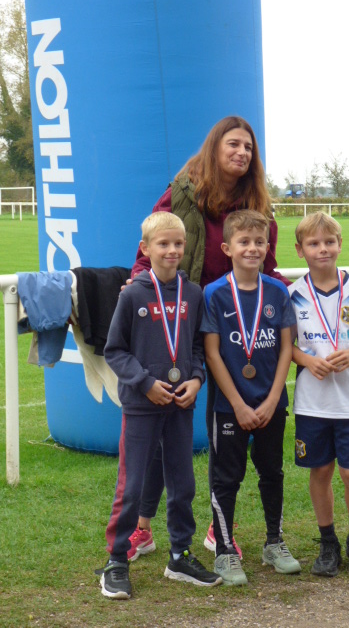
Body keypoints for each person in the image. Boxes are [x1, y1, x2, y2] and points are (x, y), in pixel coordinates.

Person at [127, 116, 290, 562]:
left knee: (228, 429)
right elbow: (155, 236)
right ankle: (142, 528)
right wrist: (139, 280)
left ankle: (221, 529)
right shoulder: (184, 191)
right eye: (233, 144)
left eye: (248, 147)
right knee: (165, 420)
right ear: (215, 147)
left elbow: (267, 266)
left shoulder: (258, 205)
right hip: (181, 321)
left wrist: (289, 291)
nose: (242, 153)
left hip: (236, 332)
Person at [97, 212, 222, 599]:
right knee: (132, 485)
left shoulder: (193, 294)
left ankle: (180, 555)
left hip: (180, 406)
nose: (171, 250)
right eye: (163, 244)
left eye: (178, 243)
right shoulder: (133, 294)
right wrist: (145, 382)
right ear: (145, 248)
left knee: (183, 483)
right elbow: (114, 350)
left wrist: (196, 379)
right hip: (142, 405)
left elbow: (198, 346)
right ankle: (116, 561)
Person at [201, 209, 301, 585]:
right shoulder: (214, 293)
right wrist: (239, 405)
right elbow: (212, 354)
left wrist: (273, 399)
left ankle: (274, 542)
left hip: (271, 403)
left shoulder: (277, 291)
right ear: (227, 248)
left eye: (260, 242)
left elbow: (286, 348)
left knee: (272, 472)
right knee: (226, 478)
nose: (252, 248)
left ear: (267, 247)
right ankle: (225, 551)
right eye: (244, 241)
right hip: (230, 407)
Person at [289, 211, 349, 577]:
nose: (322, 249)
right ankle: (327, 541)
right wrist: (306, 361)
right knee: (320, 470)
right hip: (312, 402)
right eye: (313, 243)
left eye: (329, 242)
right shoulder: (293, 294)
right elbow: (286, 345)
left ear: (340, 245)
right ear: (300, 250)